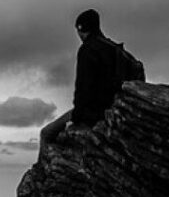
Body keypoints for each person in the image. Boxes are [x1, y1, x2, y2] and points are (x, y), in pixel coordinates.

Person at [39, 9, 124, 157]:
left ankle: (41, 176)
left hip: (92, 112)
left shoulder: (87, 50)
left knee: (46, 133)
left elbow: (83, 88)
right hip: (113, 107)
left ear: (81, 29)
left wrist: (76, 119)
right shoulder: (114, 48)